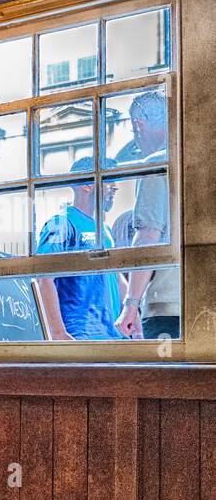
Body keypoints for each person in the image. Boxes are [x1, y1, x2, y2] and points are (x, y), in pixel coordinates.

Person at [112, 91, 177, 340]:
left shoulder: (157, 164)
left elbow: (148, 235)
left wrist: (131, 305)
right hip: (200, 306)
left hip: (166, 310)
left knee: (161, 379)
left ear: (139, 125)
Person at [34, 158, 120, 340]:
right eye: (108, 180)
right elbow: (44, 277)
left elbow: (116, 276)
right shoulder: (61, 223)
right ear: (87, 185)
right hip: (80, 336)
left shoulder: (105, 229)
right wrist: (57, 332)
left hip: (113, 336)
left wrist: (132, 310)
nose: (115, 186)